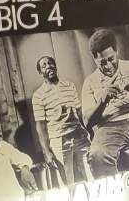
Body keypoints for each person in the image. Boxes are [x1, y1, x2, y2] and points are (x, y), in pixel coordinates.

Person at [80, 28, 129, 178]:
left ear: (116, 51)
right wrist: (102, 100)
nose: (108, 66)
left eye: (111, 59)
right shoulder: (89, 82)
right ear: (95, 59)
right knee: (97, 155)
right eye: (102, 62)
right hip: (111, 124)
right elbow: (87, 121)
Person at [31, 55, 90, 186]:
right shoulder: (38, 95)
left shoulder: (69, 85)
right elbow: (40, 126)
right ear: (40, 72)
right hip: (59, 141)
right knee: (68, 182)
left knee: (90, 174)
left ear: (56, 66)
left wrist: (88, 132)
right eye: (44, 66)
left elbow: (79, 112)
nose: (49, 66)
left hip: (79, 136)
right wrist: (47, 152)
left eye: (51, 63)